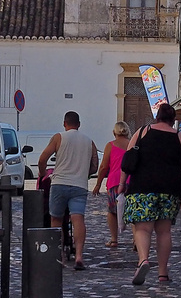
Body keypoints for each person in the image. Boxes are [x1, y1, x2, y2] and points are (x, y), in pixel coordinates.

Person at [123, 102, 181, 285]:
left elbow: (128, 158)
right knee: (164, 231)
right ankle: (163, 273)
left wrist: (120, 184)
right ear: (173, 120)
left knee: (143, 228)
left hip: (142, 186)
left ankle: (143, 260)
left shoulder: (142, 132)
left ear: (157, 117)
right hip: (170, 188)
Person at [37, 112, 100, 270]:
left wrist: (43, 173)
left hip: (59, 183)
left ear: (64, 123)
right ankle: (79, 256)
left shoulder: (59, 137)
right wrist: (84, 174)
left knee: (56, 220)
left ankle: (60, 256)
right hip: (79, 185)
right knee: (78, 219)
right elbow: (94, 166)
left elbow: (43, 158)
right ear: (79, 124)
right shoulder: (89, 142)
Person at [94, 121, 131, 248]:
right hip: (131, 181)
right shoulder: (132, 144)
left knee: (112, 211)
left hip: (115, 181)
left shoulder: (110, 145)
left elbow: (104, 166)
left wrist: (98, 183)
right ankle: (137, 240)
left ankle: (114, 239)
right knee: (133, 211)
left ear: (114, 132)